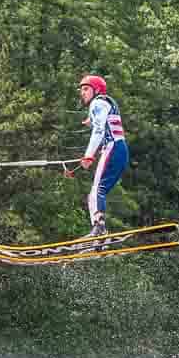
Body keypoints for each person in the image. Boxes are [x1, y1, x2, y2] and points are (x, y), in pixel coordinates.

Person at [76, 74, 128, 238]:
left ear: (96, 90)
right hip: (120, 150)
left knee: (96, 190)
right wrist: (90, 120)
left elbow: (99, 130)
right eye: (81, 90)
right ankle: (101, 236)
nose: (82, 93)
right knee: (99, 190)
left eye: (86, 89)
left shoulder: (97, 102)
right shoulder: (106, 102)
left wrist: (88, 155)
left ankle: (99, 228)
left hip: (112, 148)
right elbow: (102, 122)